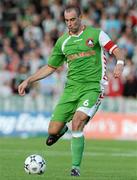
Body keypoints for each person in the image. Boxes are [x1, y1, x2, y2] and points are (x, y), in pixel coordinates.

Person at [18, 5, 124, 176]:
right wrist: (29, 80)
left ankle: (75, 167)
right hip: (71, 90)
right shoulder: (62, 42)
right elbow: (51, 67)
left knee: (78, 121)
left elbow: (117, 51)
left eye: (73, 19)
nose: (69, 23)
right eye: (66, 20)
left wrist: (119, 64)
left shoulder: (96, 34)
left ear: (80, 17)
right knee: (52, 130)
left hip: (92, 87)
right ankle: (61, 131)